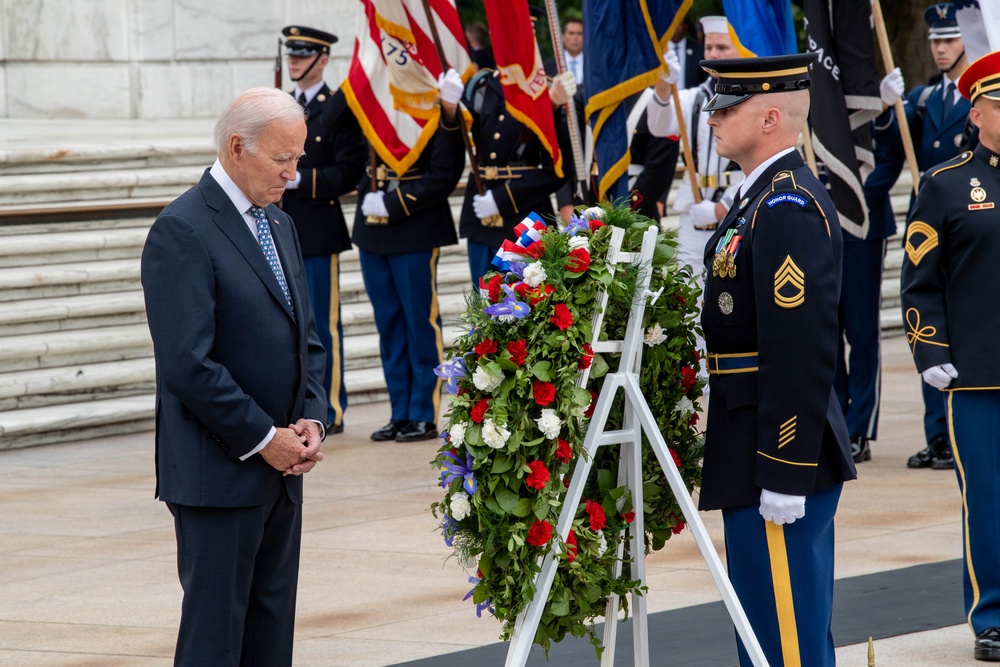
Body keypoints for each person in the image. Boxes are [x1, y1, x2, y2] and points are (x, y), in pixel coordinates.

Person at [140, 87, 327, 665]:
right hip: (218, 475)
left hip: (283, 472)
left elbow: (308, 339)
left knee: (271, 637)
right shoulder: (184, 229)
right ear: (237, 146)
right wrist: (262, 439)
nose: (294, 174)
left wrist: (311, 419)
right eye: (283, 159)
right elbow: (188, 365)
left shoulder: (278, 224)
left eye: (299, 158)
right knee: (215, 639)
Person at [697, 53, 856, 667]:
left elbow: (802, 347)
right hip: (751, 442)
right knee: (766, 629)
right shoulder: (757, 198)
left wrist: (785, 468)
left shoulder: (785, 207)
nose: (712, 119)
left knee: (784, 640)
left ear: (769, 117)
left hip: (778, 454)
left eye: (725, 108)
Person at [900, 50, 1000, 662]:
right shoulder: (944, 185)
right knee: (988, 498)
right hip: (980, 374)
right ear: (978, 111)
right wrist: (929, 348)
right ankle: (992, 615)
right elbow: (918, 280)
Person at [354, 69, 466, 443]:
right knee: (389, 325)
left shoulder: (432, 111)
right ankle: (399, 411)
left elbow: (445, 172)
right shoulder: (377, 106)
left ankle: (422, 413)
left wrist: (393, 202)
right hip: (373, 228)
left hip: (415, 226)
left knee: (419, 323)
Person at [898, 2, 974, 470]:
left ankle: (954, 431)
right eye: (935, 41)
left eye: (948, 39)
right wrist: (890, 109)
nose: (941, 48)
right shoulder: (925, 97)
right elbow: (894, 143)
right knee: (928, 331)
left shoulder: (981, 96)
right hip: (929, 223)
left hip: (968, 222)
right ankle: (936, 435)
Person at [279, 25, 365, 436]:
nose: (293, 61)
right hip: (280, 228)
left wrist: (300, 179)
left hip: (317, 229)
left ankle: (329, 406)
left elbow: (350, 172)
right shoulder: (282, 105)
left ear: (323, 59)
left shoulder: (337, 107)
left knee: (322, 324)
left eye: (302, 54)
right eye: (291, 54)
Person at [462, 6, 575, 285]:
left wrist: (554, 106)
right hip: (481, 210)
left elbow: (559, 169)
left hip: (524, 217)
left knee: (522, 311)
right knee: (482, 308)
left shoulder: (549, 92)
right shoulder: (484, 85)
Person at [835, 70, 907, 465]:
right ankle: (836, 420)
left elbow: (892, 157)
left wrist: (883, 111)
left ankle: (859, 427)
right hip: (824, 222)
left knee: (862, 330)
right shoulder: (821, 90)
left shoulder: (871, 92)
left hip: (864, 226)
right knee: (827, 331)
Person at [667, 16, 706, 91]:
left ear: (685, 26)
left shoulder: (699, 50)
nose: (675, 28)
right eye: (671, 23)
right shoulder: (658, 52)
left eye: (678, 23)